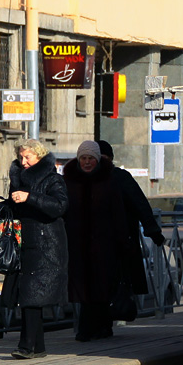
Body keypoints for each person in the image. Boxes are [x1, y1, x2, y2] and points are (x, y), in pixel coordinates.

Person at [62, 141, 131, 342]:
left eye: (91, 158)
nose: (87, 162)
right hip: (77, 243)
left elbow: (118, 213)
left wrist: (122, 241)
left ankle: (100, 326)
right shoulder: (69, 182)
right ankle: (87, 328)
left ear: (98, 160)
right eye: (83, 158)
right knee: (83, 287)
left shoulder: (109, 181)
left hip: (104, 243)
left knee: (101, 286)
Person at [8, 140, 69, 359]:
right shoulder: (18, 180)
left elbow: (60, 206)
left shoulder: (53, 179)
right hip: (25, 241)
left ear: (39, 158)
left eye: (28, 158)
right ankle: (38, 347)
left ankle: (26, 346)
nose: (23, 162)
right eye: (21, 157)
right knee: (30, 294)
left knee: (32, 295)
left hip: (47, 244)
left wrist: (30, 197)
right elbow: (16, 208)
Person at [98, 140, 165, 305]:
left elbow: (139, 203)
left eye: (103, 158)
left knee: (115, 282)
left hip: (118, 241)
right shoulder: (83, 178)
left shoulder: (120, 177)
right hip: (92, 241)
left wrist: (153, 231)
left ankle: (107, 320)